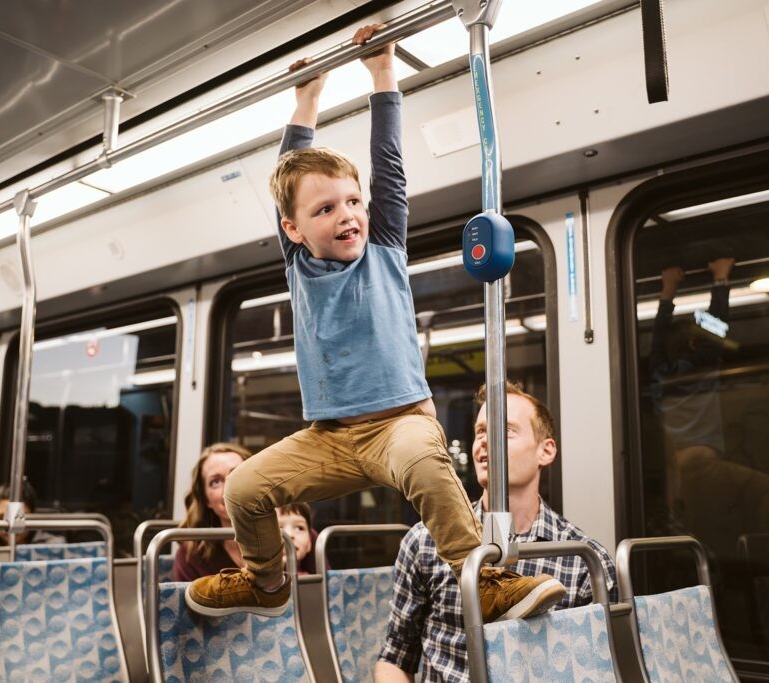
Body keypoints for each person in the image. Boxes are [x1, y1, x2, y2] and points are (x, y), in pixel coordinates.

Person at [185, 24, 564, 622]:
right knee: (243, 489)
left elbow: (388, 165)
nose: (347, 216)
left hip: (399, 424)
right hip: (329, 438)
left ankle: (485, 581)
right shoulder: (298, 267)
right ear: (293, 230)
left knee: (425, 467)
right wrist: (305, 99)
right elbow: (289, 170)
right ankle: (266, 582)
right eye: (326, 209)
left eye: (353, 202)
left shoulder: (385, 244)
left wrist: (383, 71)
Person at [374, 383, 618, 682]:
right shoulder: (424, 542)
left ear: (546, 450)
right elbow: (395, 659)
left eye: (505, 430)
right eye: (479, 431)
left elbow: (598, 668)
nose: (485, 441)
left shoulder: (584, 561)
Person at [650, 259, 769, 557]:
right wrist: (721, 278)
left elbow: (658, 338)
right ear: (692, 343)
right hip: (707, 465)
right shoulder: (703, 368)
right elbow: (717, 327)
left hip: (677, 470)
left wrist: (668, 289)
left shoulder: (659, 374)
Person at [173, 443, 251, 582]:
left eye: (238, 474)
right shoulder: (191, 556)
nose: (229, 487)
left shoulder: (287, 537)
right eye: (216, 482)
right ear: (206, 500)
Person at [0, 481, 65, 545]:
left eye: (18, 517)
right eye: (1, 517)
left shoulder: (51, 546)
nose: (11, 526)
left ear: (32, 517)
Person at [277, 502, 318, 575]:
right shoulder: (252, 582)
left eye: (299, 528)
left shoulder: (314, 582)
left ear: (309, 543)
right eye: (277, 528)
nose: (289, 534)